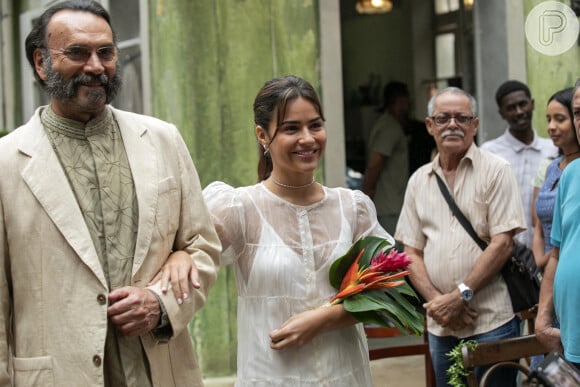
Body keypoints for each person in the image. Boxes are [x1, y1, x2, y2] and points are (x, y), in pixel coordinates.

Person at [0, 1, 220, 386]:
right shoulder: (6, 163)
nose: (96, 67)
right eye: (77, 53)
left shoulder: (162, 140)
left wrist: (160, 303)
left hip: (158, 371)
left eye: (106, 52)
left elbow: (202, 247)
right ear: (40, 62)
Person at [163, 75, 393, 386]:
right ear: (262, 135)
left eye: (315, 125)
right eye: (291, 128)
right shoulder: (238, 208)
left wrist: (324, 319)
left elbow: (390, 289)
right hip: (270, 376)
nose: (308, 138)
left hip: (344, 374)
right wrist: (178, 254)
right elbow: (186, 242)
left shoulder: (353, 208)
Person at [395, 87, 527, 386]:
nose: (452, 124)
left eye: (461, 118)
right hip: (443, 325)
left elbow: (502, 243)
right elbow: (410, 251)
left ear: (475, 125)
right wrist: (440, 303)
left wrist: (461, 296)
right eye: (443, 118)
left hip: (492, 319)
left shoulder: (496, 171)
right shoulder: (418, 181)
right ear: (430, 125)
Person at [480, 80, 558, 248]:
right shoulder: (489, 152)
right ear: (501, 113)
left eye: (523, 104)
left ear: (533, 104)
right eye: (511, 108)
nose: (519, 111)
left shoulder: (553, 150)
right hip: (506, 254)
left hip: (548, 250)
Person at [536, 80, 580, 370]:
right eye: (578, 112)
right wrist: (542, 318)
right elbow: (557, 253)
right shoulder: (571, 172)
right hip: (570, 337)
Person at [532, 87, 579, 271]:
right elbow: (538, 226)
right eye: (549, 119)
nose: (551, 127)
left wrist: (549, 259)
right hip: (544, 268)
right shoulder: (552, 168)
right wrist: (537, 261)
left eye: (560, 119)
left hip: (568, 262)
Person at [362, 81, 410, 233]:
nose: (407, 108)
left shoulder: (385, 124)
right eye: (405, 102)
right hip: (390, 209)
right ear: (399, 102)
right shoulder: (390, 128)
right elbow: (376, 162)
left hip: (391, 207)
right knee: (393, 255)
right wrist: (366, 193)